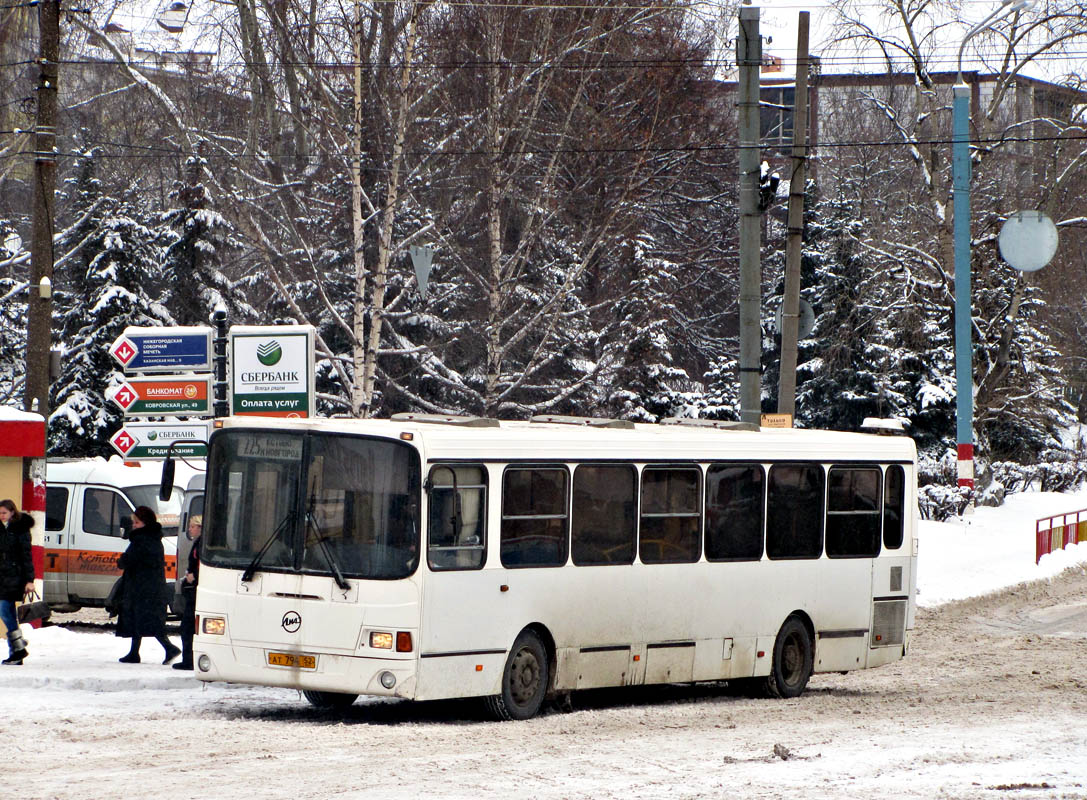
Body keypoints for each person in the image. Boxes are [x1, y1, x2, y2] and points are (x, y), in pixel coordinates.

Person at [116, 506, 181, 665]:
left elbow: (128, 560)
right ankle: (134, 653)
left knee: (146, 620)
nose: (134, 526)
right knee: (141, 619)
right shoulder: (154, 538)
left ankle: (169, 647)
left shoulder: (141, 539)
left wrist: (121, 560)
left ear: (145, 523)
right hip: (151, 586)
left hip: (142, 587)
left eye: (137, 522)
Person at [0, 499, 35, 665]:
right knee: (8, 613)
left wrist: (30, 580)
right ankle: (17, 650)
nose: (1, 516)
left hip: (15, 576)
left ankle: (18, 648)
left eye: (4, 513)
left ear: (12, 512)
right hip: (2, 577)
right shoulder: (2, 529)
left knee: (5, 611)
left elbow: (26, 556)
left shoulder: (20, 530)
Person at [173, 514, 201, 671]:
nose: (189, 529)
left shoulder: (201, 545)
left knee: (188, 627)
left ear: (199, 528)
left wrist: (193, 576)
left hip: (194, 589)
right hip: (192, 589)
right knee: (187, 626)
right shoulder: (198, 543)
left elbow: (201, 565)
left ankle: (188, 660)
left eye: (192, 526)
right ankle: (188, 659)